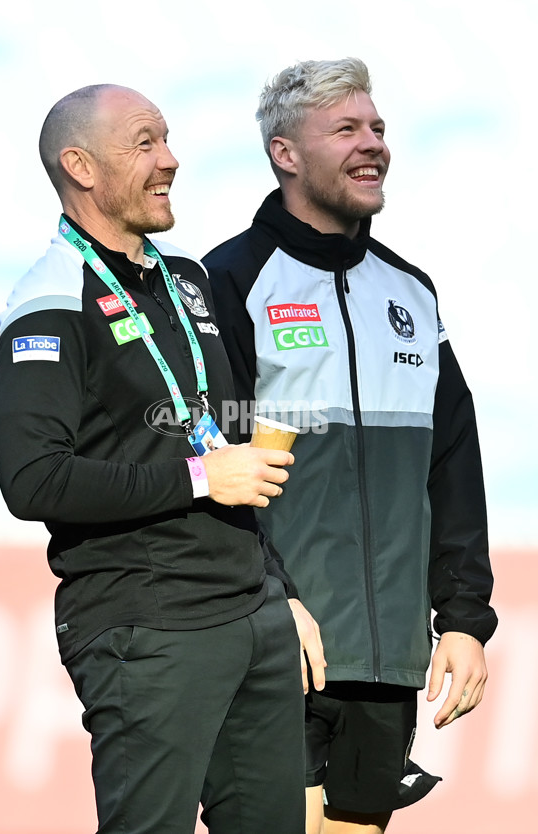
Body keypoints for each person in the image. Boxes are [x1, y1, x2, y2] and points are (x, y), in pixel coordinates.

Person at [0, 83, 307, 834]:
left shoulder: (186, 280)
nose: (171, 160)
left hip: (251, 614)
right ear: (81, 166)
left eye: (166, 138)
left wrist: (281, 591)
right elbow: (33, 478)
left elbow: (220, 445)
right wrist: (198, 477)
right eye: (145, 143)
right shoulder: (50, 299)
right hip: (147, 623)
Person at [202, 58, 498, 834]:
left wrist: (463, 616)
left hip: (387, 657)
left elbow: (452, 465)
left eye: (377, 128)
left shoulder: (410, 290)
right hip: (276, 643)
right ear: (285, 153)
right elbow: (213, 464)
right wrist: (271, 599)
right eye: (346, 129)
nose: (373, 145)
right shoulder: (228, 281)